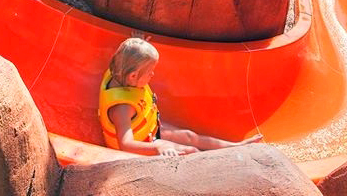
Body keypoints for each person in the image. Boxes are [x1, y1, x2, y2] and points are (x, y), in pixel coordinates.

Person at [99, 38, 261, 156]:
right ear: (133, 76)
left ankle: (236, 146)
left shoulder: (121, 70)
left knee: (190, 136)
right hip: (143, 144)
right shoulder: (122, 108)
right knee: (190, 151)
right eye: (149, 72)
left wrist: (139, 42)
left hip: (150, 131)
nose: (153, 75)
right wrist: (158, 148)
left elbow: (127, 53)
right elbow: (126, 145)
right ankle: (217, 168)